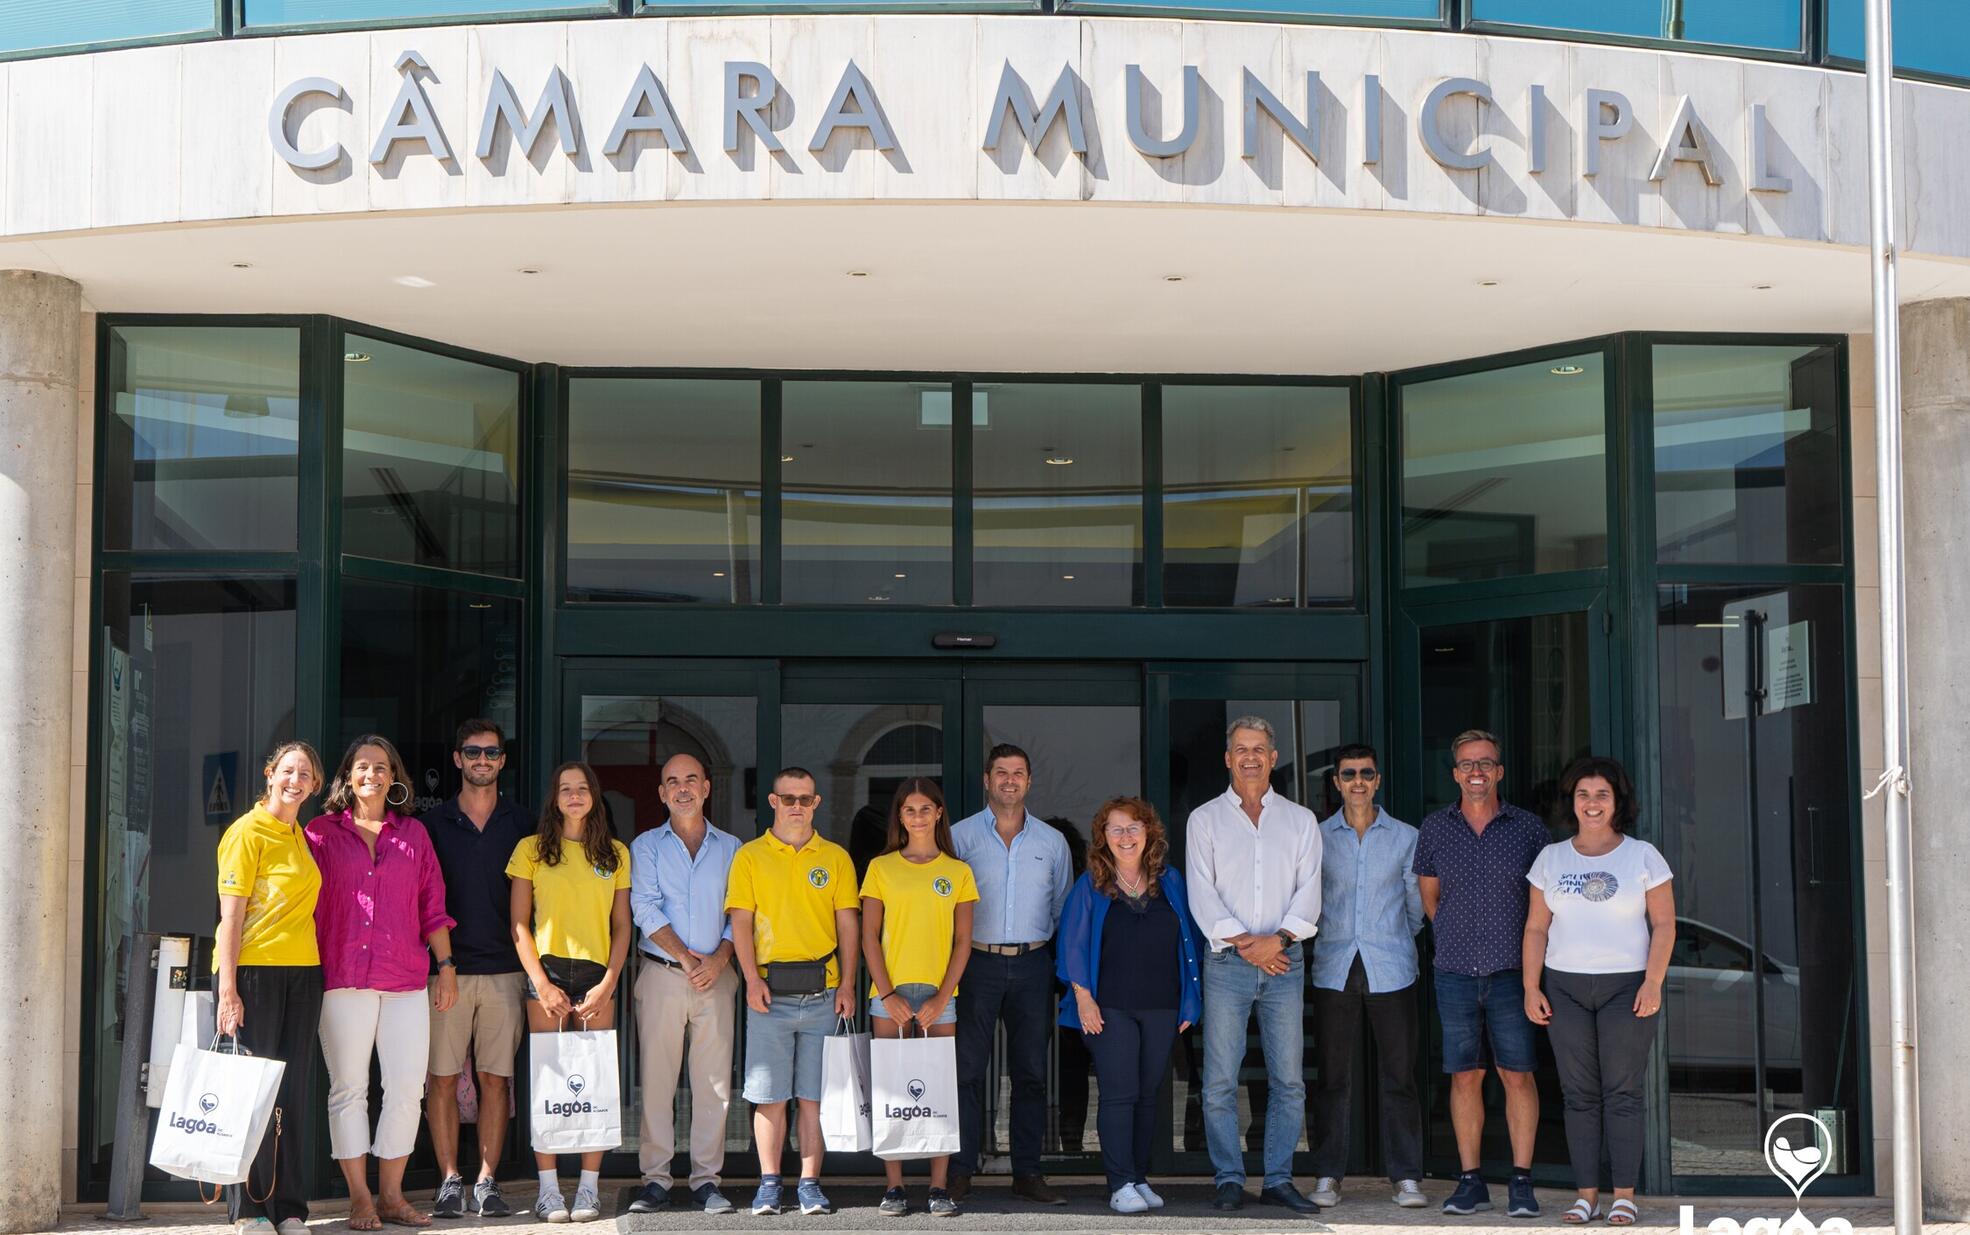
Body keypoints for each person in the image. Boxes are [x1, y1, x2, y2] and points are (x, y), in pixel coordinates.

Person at [307, 736, 457, 1230]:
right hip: (342, 977)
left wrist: (447, 967)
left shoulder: (413, 834)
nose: (371, 774)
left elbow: (432, 904)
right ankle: (359, 1199)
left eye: (381, 767)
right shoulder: (320, 834)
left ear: (394, 777)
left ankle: (391, 1196)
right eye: (362, 766)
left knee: (407, 1089)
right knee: (349, 1089)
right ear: (347, 776)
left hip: (405, 979)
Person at [1524, 757, 1675, 1227]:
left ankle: (1624, 1196)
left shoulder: (1643, 856)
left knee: (1622, 1093)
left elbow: (1665, 924)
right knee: (1578, 1095)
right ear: (1571, 802)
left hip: (1626, 986)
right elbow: (1535, 928)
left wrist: (1653, 981)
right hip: (1564, 987)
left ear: (1617, 802)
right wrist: (1531, 986)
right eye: (1583, 795)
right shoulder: (1551, 858)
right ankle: (1586, 1197)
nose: (1592, 803)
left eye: (1602, 795)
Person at [1186, 716, 1323, 1214]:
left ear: (1273, 757)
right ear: (1228, 758)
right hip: (1228, 962)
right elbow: (1202, 894)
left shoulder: (1300, 820)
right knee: (1220, 1081)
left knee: (1289, 1081)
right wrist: (1249, 945)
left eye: (1258, 749)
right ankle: (1228, 1178)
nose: (1250, 757)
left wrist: (1276, 941)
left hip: (1285, 960)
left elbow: (1310, 892)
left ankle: (1278, 1180)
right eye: (1241, 749)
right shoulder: (1204, 819)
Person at [1412, 728, 1551, 1218]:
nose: (1476, 772)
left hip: (1513, 974)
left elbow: (1544, 905)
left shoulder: (1529, 829)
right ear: (1455, 774)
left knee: (1518, 1074)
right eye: (1468, 764)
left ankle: (1521, 1182)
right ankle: (1470, 1181)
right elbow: (1431, 900)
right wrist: (1460, 937)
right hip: (1454, 972)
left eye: (1485, 763)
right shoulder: (1434, 828)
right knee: (1465, 1077)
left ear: (1499, 772)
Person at [725, 767, 861, 1217]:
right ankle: (769, 1184)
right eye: (789, 798)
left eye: (805, 799)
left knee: (812, 1097)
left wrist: (848, 983)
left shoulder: (836, 858)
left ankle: (808, 1184)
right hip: (769, 994)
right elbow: (740, 922)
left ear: (816, 803)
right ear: (773, 801)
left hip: (824, 993)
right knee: (769, 1096)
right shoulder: (749, 857)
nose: (797, 806)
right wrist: (751, 978)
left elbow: (848, 925)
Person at [1057, 797, 1202, 1216]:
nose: (1125, 836)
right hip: (1109, 1008)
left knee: (1148, 1095)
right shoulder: (1092, 884)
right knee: (1119, 1095)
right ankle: (1119, 1183)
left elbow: (1190, 943)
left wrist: (1190, 1000)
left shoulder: (1170, 881)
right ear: (1103, 836)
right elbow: (1072, 944)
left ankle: (1138, 1178)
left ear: (1148, 833)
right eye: (1116, 829)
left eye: (1133, 828)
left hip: (1162, 1006)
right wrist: (1083, 997)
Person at [508, 762, 633, 1224]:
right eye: (566, 789)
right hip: (548, 972)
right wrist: (541, 983)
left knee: (594, 1080)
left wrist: (609, 983)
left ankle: (587, 1189)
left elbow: (622, 926)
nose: (575, 796)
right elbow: (519, 924)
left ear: (594, 796)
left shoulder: (615, 853)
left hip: (598, 975)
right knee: (549, 1081)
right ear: (555, 798)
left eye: (582, 789)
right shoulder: (531, 850)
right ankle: (548, 1190)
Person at [948, 744, 1073, 1205]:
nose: (1009, 780)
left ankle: (1028, 1172)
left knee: (1031, 1072)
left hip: (1032, 963)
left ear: (1029, 781)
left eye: (1018, 773)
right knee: (967, 1071)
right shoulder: (959, 837)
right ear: (987, 780)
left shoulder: (1052, 842)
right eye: (1001, 772)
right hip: (975, 963)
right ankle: (961, 1170)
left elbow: (1061, 907)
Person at [1307, 744, 1428, 1210]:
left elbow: (1415, 906)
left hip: (1391, 968)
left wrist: (1391, 938)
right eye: (1348, 774)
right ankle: (1328, 1175)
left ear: (1378, 780)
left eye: (1366, 773)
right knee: (1332, 1078)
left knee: (1399, 1077)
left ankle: (1407, 1177)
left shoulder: (1406, 837)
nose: (1358, 781)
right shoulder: (1318, 838)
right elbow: (1309, 902)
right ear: (1336, 782)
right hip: (1334, 967)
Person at [214, 742, 327, 1235]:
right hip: (254, 972)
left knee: (291, 1094)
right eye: (287, 771)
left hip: (303, 973)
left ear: (315, 785)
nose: (295, 780)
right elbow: (230, 918)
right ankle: (250, 1210)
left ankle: (290, 1209)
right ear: (269, 775)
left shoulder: (299, 835)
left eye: (305, 774)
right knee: (251, 1094)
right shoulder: (247, 832)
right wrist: (228, 990)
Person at [423, 721, 532, 1220]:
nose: (482, 760)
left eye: (491, 752)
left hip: (507, 970)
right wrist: (443, 963)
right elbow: (425, 901)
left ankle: (487, 1182)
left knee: (496, 1079)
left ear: (502, 761)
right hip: (445, 971)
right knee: (442, 1078)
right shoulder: (433, 824)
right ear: (458, 759)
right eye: (473, 752)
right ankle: (449, 1180)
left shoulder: (523, 823)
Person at [626, 754, 741, 1216]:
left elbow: (740, 912)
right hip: (662, 975)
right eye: (672, 782)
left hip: (718, 976)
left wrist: (720, 958)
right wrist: (688, 959)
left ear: (707, 788)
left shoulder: (732, 847)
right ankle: (655, 1180)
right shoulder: (646, 846)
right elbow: (644, 908)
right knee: (657, 1081)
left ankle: (706, 1181)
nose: (682, 788)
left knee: (714, 1083)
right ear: (661, 793)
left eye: (691, 780)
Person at [861, 779, 978, 1218]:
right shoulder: (881, 867)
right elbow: (869, 937)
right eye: (909, 810)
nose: (917, 817)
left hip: (939, 995)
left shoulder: (958, 872)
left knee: (938, 1090)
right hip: (888, 994)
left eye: (925, 808)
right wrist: (887, 993)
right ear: (900, 816)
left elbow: (963, 942)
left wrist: (942, 997)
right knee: (891, 1089)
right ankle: (894, 1187)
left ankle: (938, 1188)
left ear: (939, 813)